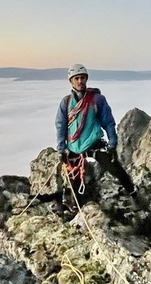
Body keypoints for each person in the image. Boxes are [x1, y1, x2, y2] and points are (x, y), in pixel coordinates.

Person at [55, 64, 135, 210]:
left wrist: (112, 143)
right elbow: (61, 126)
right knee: (75, 181)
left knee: (116, 170)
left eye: (83, 78)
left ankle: (134, 194)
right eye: (77, 78)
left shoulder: (97, 99)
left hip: (94, 143)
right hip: (74, 147)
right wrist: (61, 149)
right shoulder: (66, 103)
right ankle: (77, 209)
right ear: (71, 81)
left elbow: (108, 122)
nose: (80, 81)